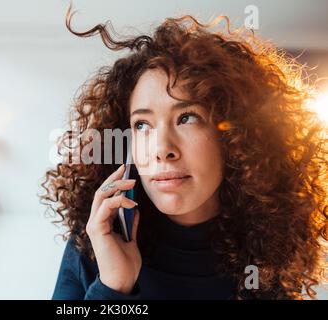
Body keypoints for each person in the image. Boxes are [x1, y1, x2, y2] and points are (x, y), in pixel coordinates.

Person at [41, 7, 328, 300]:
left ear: (234, 136)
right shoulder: (97, 238)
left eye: (187, 117)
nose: (162, 150)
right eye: (142, 124)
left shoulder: (267, 258)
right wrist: (113, 286)